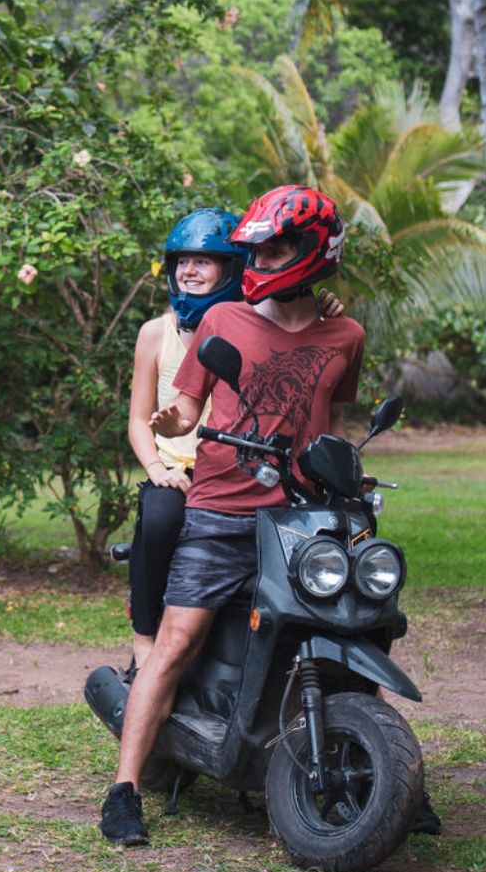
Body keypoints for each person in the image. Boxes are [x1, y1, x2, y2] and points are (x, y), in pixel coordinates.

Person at [101, 185, 366, 848]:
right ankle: (124, 788)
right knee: (175, 641)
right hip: (219, 509)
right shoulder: (224, 323)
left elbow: (332, 424)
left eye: (275, 249)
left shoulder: (347, 335)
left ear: (311, 252)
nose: (262, 262)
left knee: (348, 636)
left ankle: (376, 767)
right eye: (257, 250)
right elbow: (187, 412)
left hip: (300, 518)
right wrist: (170, 422)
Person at [124, 209, 342, 674]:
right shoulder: (154, 334)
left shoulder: (249, 324)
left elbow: (305, 346)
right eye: (182, 262)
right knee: (161, 519)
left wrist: (322, 307)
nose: (189, 271)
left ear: (236, 267)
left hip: (238, 471)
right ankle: (144, 637)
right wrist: (157, 470)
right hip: (178, 473)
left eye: (204, 262)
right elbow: (139, 420)